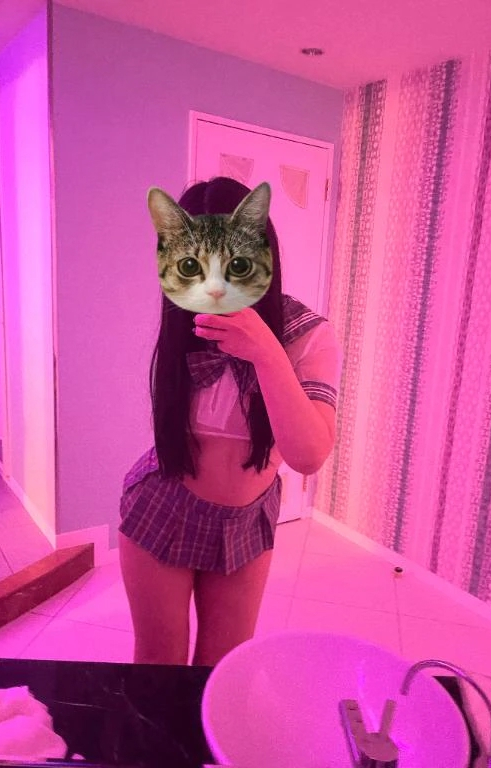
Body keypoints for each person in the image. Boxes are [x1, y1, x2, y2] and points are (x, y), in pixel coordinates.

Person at [119, 176, 342, 667]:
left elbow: (308, 455)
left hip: (247, 522)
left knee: (223, 668)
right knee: (158, 668)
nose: (214, 286)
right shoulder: (185, 322)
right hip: (163, 505)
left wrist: (266, 351)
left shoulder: (308, 336)